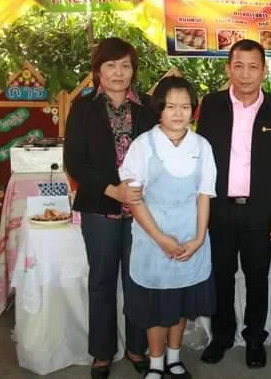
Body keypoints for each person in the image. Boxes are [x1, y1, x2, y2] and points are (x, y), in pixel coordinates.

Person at [197, 39, 271, 369]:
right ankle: (222, 336)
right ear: (228, 68)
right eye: (238, 66)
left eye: (253, 67)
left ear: (264, 71)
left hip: (260, 212)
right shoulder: (212, 105)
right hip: (220, 209)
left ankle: (255, 339)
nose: (245, 74)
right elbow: (200, 157)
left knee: (257, 277)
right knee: (221, 276)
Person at [64, 37, 156, 378]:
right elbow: (75, 161)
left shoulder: (149, 107)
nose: (119, 72)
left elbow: (160, 155)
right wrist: (112, 190)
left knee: (138, 280)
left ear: (133, 70)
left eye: (125, 65)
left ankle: (136, 347)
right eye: (111, 65)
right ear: (98, 71)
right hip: (99, 206)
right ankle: (102, 352)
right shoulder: (83, 108)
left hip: (142, 209)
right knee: (102, 280)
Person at [119, 76, 217, 379]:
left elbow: (204, 195)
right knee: (156, 308)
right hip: (153, 240)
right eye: (171, 106)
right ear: (159, 109)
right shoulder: (143, 145)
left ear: (193, 110)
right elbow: (134, 199)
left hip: (190, 238)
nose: (178, 113)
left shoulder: (202, 146)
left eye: (185, 107)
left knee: (181, 303)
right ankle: (156, 362)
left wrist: (199, 238)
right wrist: (161, 239)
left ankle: (175, 358)